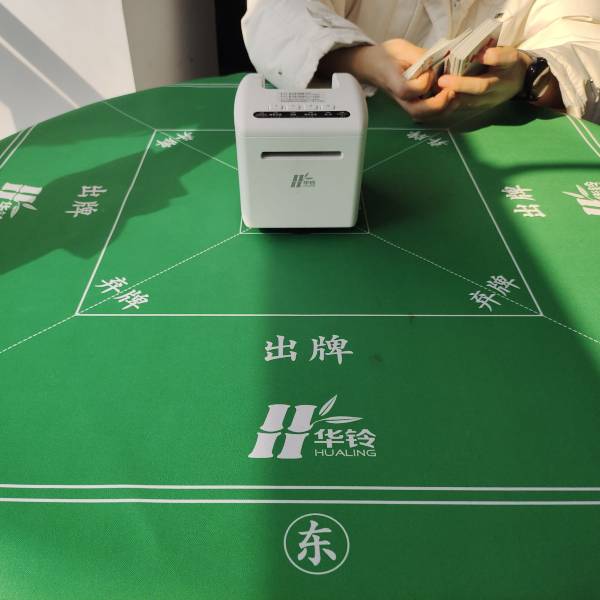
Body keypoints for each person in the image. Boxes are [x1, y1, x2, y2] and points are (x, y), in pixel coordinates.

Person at [241, 0, 600, 123]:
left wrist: (531, 74)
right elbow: (276, 11)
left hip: (492, 164)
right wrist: (361, 58)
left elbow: (587, 41)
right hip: (353, 149)